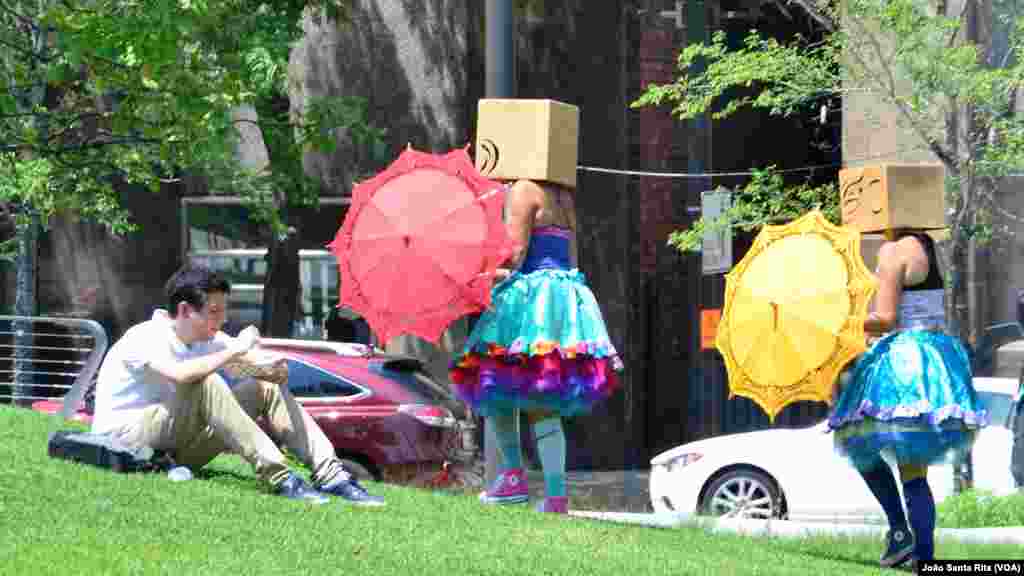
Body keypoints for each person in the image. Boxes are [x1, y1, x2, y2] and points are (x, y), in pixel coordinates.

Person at [90, 263, 385, 506]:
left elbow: (251, 363)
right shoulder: (146, 336)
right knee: (206, 383)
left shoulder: (208, 339)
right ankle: (280, 477)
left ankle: (332, 476)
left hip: (171, 450)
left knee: (262, 386)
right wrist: (234, 350)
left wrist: (273, 370)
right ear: (184, 311)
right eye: (214, 312)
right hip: (127, 444)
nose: (223, 319)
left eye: (223, 311)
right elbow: (181, 375)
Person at [449, 179, 623, 514]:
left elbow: (515, 255)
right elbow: (571, 259)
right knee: (544, 397)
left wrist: (477, 272)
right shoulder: (564, 196)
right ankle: (556, 497)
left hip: (530, 300)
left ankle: (513, 476)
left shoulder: (524, 190)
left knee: (492, 380)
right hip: (564, 299)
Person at [829, 231, 986, 567]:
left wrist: (840, 322)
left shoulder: (893, 251)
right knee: (912, 472)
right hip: (937, 363)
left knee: (858, 444)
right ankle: (920, 553)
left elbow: (885, 319)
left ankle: (902, 534)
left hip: (903, 364)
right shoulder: (932, 248)